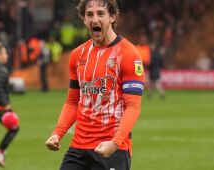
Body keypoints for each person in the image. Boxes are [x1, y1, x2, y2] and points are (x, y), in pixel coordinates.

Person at [45, 0, 144, 169]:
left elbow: (133, 107)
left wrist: (114, 143)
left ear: (112, 17)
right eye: (89, 14)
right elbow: (72, 102)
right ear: (84, 19)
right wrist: (58, 133)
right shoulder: (77, 55)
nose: (94, 19)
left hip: (113, 148)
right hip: (78, 148)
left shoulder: (128, 54)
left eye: (101, 13)